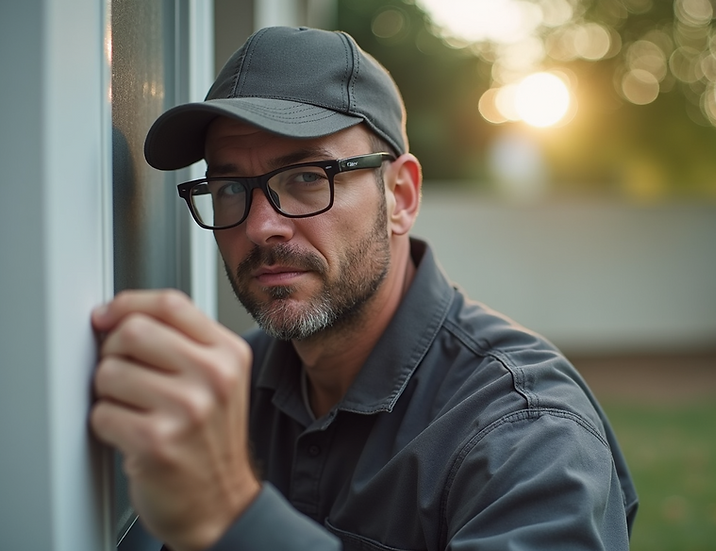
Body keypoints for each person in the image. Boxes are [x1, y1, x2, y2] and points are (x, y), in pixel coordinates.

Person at [90, 26, 638, 551]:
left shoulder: (525, 434)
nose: (259, 226)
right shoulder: (231, 388)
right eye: (230, 187)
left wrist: (233, 516)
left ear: (400, 196)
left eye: (307, 176)